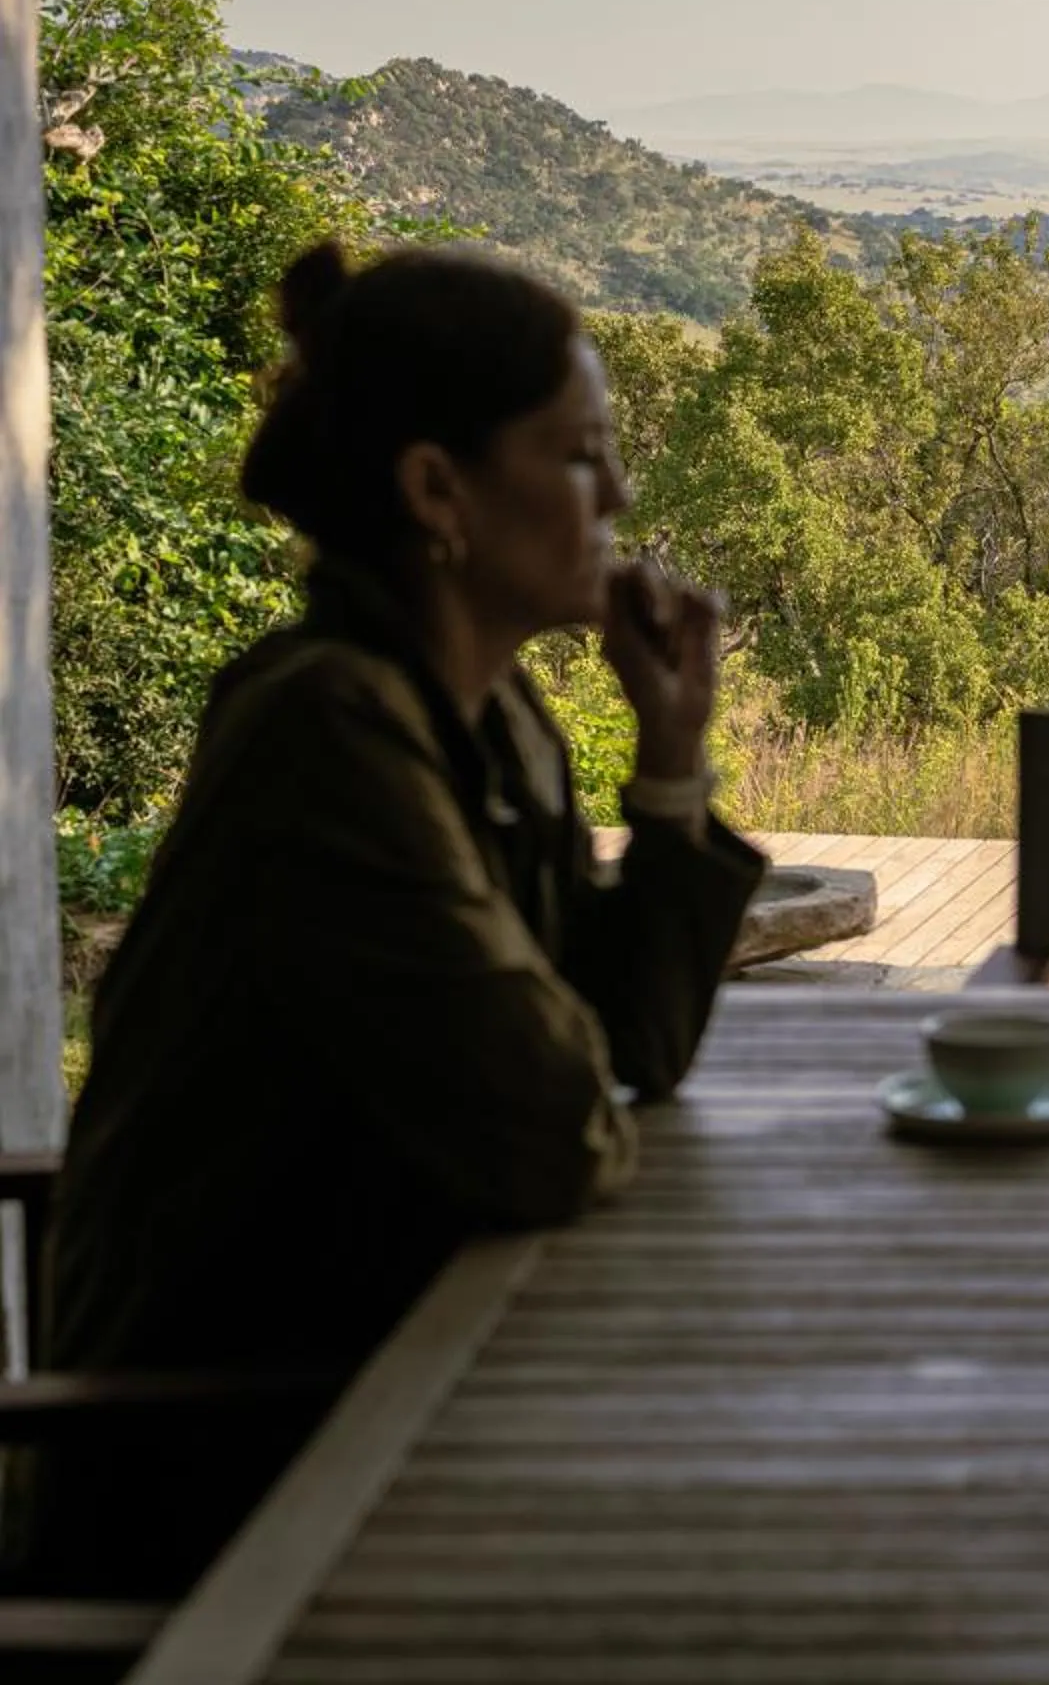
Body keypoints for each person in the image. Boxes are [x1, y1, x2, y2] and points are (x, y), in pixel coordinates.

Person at [41, 240, 765, 1589]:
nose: (618, 495)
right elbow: (555, 1127)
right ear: (438, 491)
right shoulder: (326, 730)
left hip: (423, 1366)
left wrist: (671, 758)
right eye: (580, 457)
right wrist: (571, 1057)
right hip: (238, 1468)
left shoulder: (490, 713)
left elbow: (634, 1048)